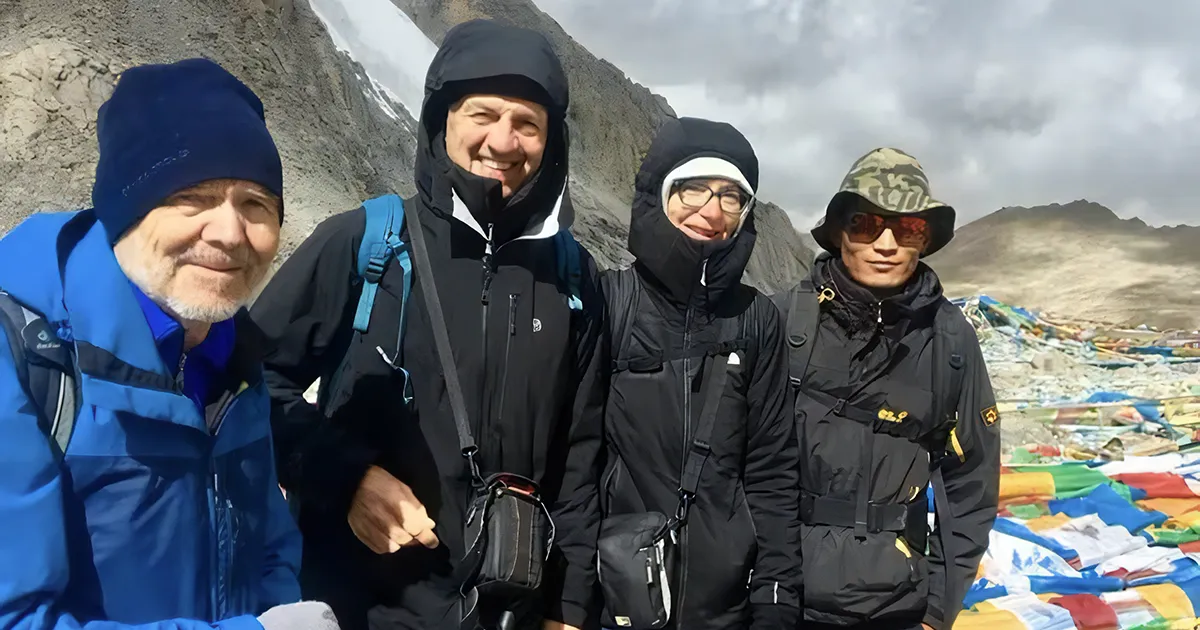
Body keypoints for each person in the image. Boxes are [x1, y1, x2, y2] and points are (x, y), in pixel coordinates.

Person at [250, 19, 605, 630]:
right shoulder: (368, 243)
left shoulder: (573, 276)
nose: (504, 140)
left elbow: (580, 453)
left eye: (528, 124)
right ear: (443, 119)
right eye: (483, 114)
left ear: (551, 143)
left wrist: (568, 607)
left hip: (510, 612)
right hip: (360, 606)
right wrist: (347, 477)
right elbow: (251, 380)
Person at [0, 58, 336, 629]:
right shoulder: (27, 356)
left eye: (255, 204)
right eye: (193, 197)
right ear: (125, 209)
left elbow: (268, 542)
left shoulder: (234, 354)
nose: (229, 233)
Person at [774, 147, 1000, 630]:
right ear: (839, 232)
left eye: (909, 228)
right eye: (865, 223)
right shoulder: (782, 320)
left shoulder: (950, 339)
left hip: (898, 606)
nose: (886, 243)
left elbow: (971, 483)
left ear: (926, 239)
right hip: (781, 595)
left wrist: (937, 610)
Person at [597, 117, 801, 630]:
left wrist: (776, 598)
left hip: (724, 609)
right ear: (661, 194)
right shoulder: (610, 304)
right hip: (617, 600)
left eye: (732, 196)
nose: (711, 211)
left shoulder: (756, 320)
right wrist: (568, 599)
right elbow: (574, 463)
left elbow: (771, 468)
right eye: (693, 189)